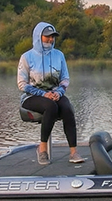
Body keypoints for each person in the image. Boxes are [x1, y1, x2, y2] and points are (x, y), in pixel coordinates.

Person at [18, 21, 86, 165]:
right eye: (47, 36)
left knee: (67, 107)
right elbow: (22, 84)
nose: (50, 39)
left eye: (52, 37)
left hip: (54, 93)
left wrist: (59, 92)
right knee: (51, 107)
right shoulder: (27, 57)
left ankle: (73, 152)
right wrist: (44, 94)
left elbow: (65, 78)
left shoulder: (59, 55)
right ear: (38, 36)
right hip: (32, 96)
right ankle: (42, 149)